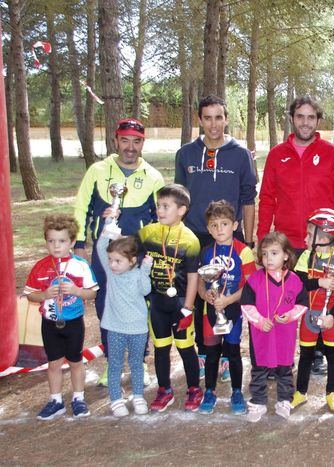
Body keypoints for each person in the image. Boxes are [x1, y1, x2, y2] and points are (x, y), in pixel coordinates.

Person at [257, 95, 334, 375]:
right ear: (292, 118)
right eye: (300, 116)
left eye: (311, 117)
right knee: (286, 300)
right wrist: (263, 239)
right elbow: (267, 199)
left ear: (318, 120)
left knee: (322, 297)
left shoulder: (333, 154)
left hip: (322, 245)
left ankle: (317, 354)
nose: (305, 122)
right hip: (287, 244)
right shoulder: (277, 154)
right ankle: (282, 356)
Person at [73, 117, 163, 387]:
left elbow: (161, 217)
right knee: (105, 305)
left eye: (136, 141)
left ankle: (140, 361)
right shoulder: (98, 170)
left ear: (142, 143)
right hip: (105, 255)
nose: (130, 147)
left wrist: (157, 251)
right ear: (116, 140)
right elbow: (81, 206)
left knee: (140, 306)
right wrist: (79, 242)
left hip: (137, 255)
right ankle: (113, 361)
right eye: (125, 140)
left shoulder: (153, 176)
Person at [174, 95, 257, 381]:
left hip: (229, 234)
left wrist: (247, 238)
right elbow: (180, 200)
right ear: (199, 120)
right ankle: (204, 351)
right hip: (197, 237)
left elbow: (248, 198)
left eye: (218, 117)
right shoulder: (185, 154)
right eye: (207, 118)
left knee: (230, 292)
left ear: (226, 119)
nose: (213, 124)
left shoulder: (240, 153)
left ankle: (228, 352)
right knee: (201, 295)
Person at [24, 214, 98, 420]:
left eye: (62, 241)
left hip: (74, 323)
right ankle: (56, 400)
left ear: (72, 242)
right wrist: (44, 295)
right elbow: (30, 295)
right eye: (51, 241)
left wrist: (76, 290)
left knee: (76, 361)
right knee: (54, 363)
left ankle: (78, 398)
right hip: (50, 323)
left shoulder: (80, 265)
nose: (56, 246)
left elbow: (92, 293)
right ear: (46, 241)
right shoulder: (40, 266)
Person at [138, 184, 202, 412]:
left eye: (166, 206)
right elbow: (127, 251)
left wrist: (188, 307)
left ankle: (194, 388)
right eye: (158, 206)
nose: (160, 210)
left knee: (186, 347)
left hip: (180, 303)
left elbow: (194, 277)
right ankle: (164, 389)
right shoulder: (148, 233)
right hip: (157, 303)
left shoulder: (190, 240)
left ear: (182, 210)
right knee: (161, 348)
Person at [240, 232, 309, 422]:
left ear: (286, 255)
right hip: (260, 334)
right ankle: (259, 402)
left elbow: (303, 304)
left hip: (284, 335)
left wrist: (290, 316)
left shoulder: (294, 281)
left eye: (274, 253)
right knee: (259, 369)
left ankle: (284, 400)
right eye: (264, 254)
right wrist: (259, 321)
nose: (268, 258)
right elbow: (246, 305)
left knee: (284, 369)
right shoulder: (254, 280)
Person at [197, 201, 256, 415]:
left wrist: (228, 300)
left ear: (235, 225)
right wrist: (206, 296)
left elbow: (250, 286)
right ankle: (210, 391)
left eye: (224, 224)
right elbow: (201, 285)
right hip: (210, 311)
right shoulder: (205, 252)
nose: (219, 229)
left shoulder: (244, 251)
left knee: (232, 352)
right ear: (208, 229)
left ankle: (237, 392)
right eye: (214, 225)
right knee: (211, 353)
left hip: (233, 310)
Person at [291, 209, 334, 412]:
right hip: (309, 315)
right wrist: (320, 281)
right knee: (306, 354)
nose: (306, 238)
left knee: (333, 354)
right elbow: (298, 285)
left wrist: (332, 316)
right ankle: (300, 392)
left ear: (324, 238)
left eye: (310, 234)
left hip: (329, 319)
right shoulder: (305, 258)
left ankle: (331, 393)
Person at [95, 232, 153, 417]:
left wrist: (145, 270)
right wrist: (109, 226)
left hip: (137, 329)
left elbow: (146, 290)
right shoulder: (111, 274)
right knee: (115, 364)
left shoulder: (137, 274)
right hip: (115, 328)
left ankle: (138, 397)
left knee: (136, 363)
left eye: (117, 261)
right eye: (110, 260)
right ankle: (116, 400)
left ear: (132, 260)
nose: (112, 264)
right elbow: (100, 247)